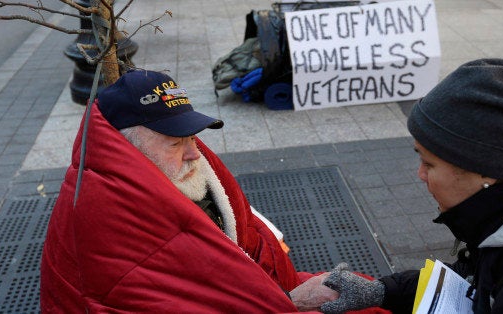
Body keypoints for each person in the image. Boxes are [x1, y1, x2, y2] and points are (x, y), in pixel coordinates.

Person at [39, 69, 386, 313]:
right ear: (125, 147)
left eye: (191, 136)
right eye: (175, 142)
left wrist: (290, 292)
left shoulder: (168, 171)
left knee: (364, 294)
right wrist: (291, 302)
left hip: (271, 293)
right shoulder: (107, 217)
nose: (194, 152)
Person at [312, 44, 503, 313]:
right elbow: (476, 276)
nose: (420, 175)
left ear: (488, 170)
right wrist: (383, 291)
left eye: (429, 163)